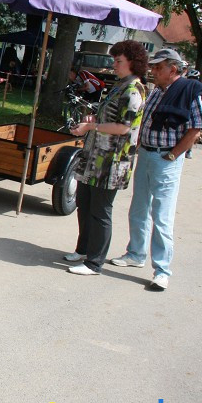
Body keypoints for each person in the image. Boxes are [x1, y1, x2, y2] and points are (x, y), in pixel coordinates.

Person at [110, 48, 202, 290]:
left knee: (161, 215)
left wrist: (173, 155)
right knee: (138, 207)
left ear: (173, 69)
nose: (153, 71)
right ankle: (135, 254)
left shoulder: (190, 91)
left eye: (158, 67)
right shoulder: (155, 92)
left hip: (166, 159)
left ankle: (162, 270)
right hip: (146, 154)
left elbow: (195, 129)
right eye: (153, 67)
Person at [64, 40, 148, 276]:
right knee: (84, 203)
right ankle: (83, 250)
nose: (114, 65)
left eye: (118, 61)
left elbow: (124, 127)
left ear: (133, 62)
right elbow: (108, 118)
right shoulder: (120, 85)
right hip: (97, 158)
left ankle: (94, 262)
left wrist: (93, 127)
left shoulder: (134, 90)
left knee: (100, 211)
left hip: (112, 162)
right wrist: (93, 122)